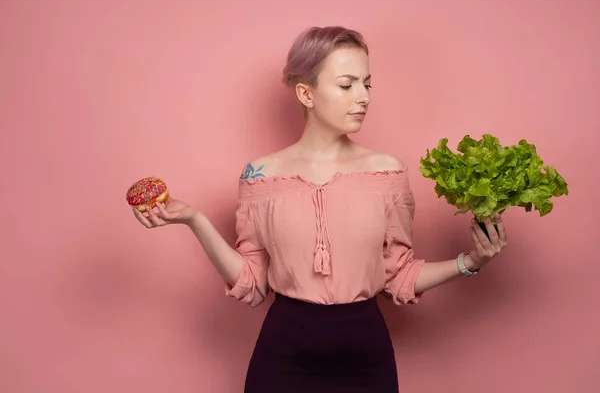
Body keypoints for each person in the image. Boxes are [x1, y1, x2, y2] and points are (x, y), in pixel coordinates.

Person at [131, 26, 508, 393]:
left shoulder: (386, 171)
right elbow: (251, 283)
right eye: (347, 85)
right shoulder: (260, 175)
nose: (363, 97)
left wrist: (471, 261)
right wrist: (194, 219)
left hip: (365, 356)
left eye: (367, 83)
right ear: (306, 94)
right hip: (283, 354)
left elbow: (399, 275)